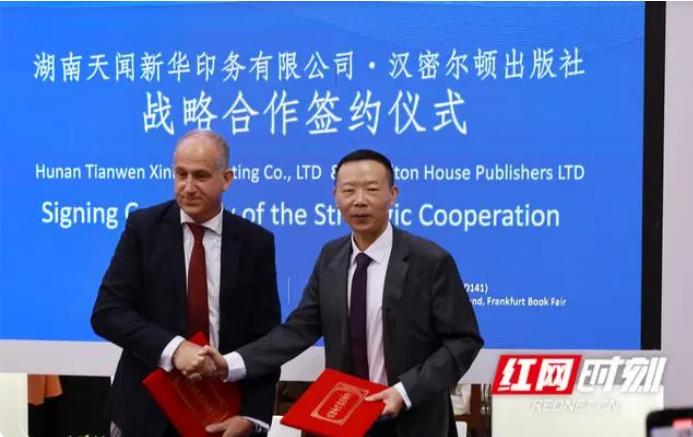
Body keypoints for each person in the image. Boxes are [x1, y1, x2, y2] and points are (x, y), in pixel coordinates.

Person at [199, 149, 483, 437]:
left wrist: (405, 391)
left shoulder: (430, 261)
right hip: (343, 419)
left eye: (372, 189)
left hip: (412, 420)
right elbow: (298, 330)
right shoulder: (330, 257)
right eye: (349, 190)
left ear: (393, 194)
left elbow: (464, 341)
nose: (359, 200)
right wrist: (229, 363)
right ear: (335, 196)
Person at [91, 130, 280, 437]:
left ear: (227, 179)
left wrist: (252, 415)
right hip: (144, 411)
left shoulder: (255, 243)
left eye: (201, 176)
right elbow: (108, 313)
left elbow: (266, 338)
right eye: (181, 174)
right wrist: (175, 349)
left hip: (222, 412)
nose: (188, 187)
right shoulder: (144, 229)